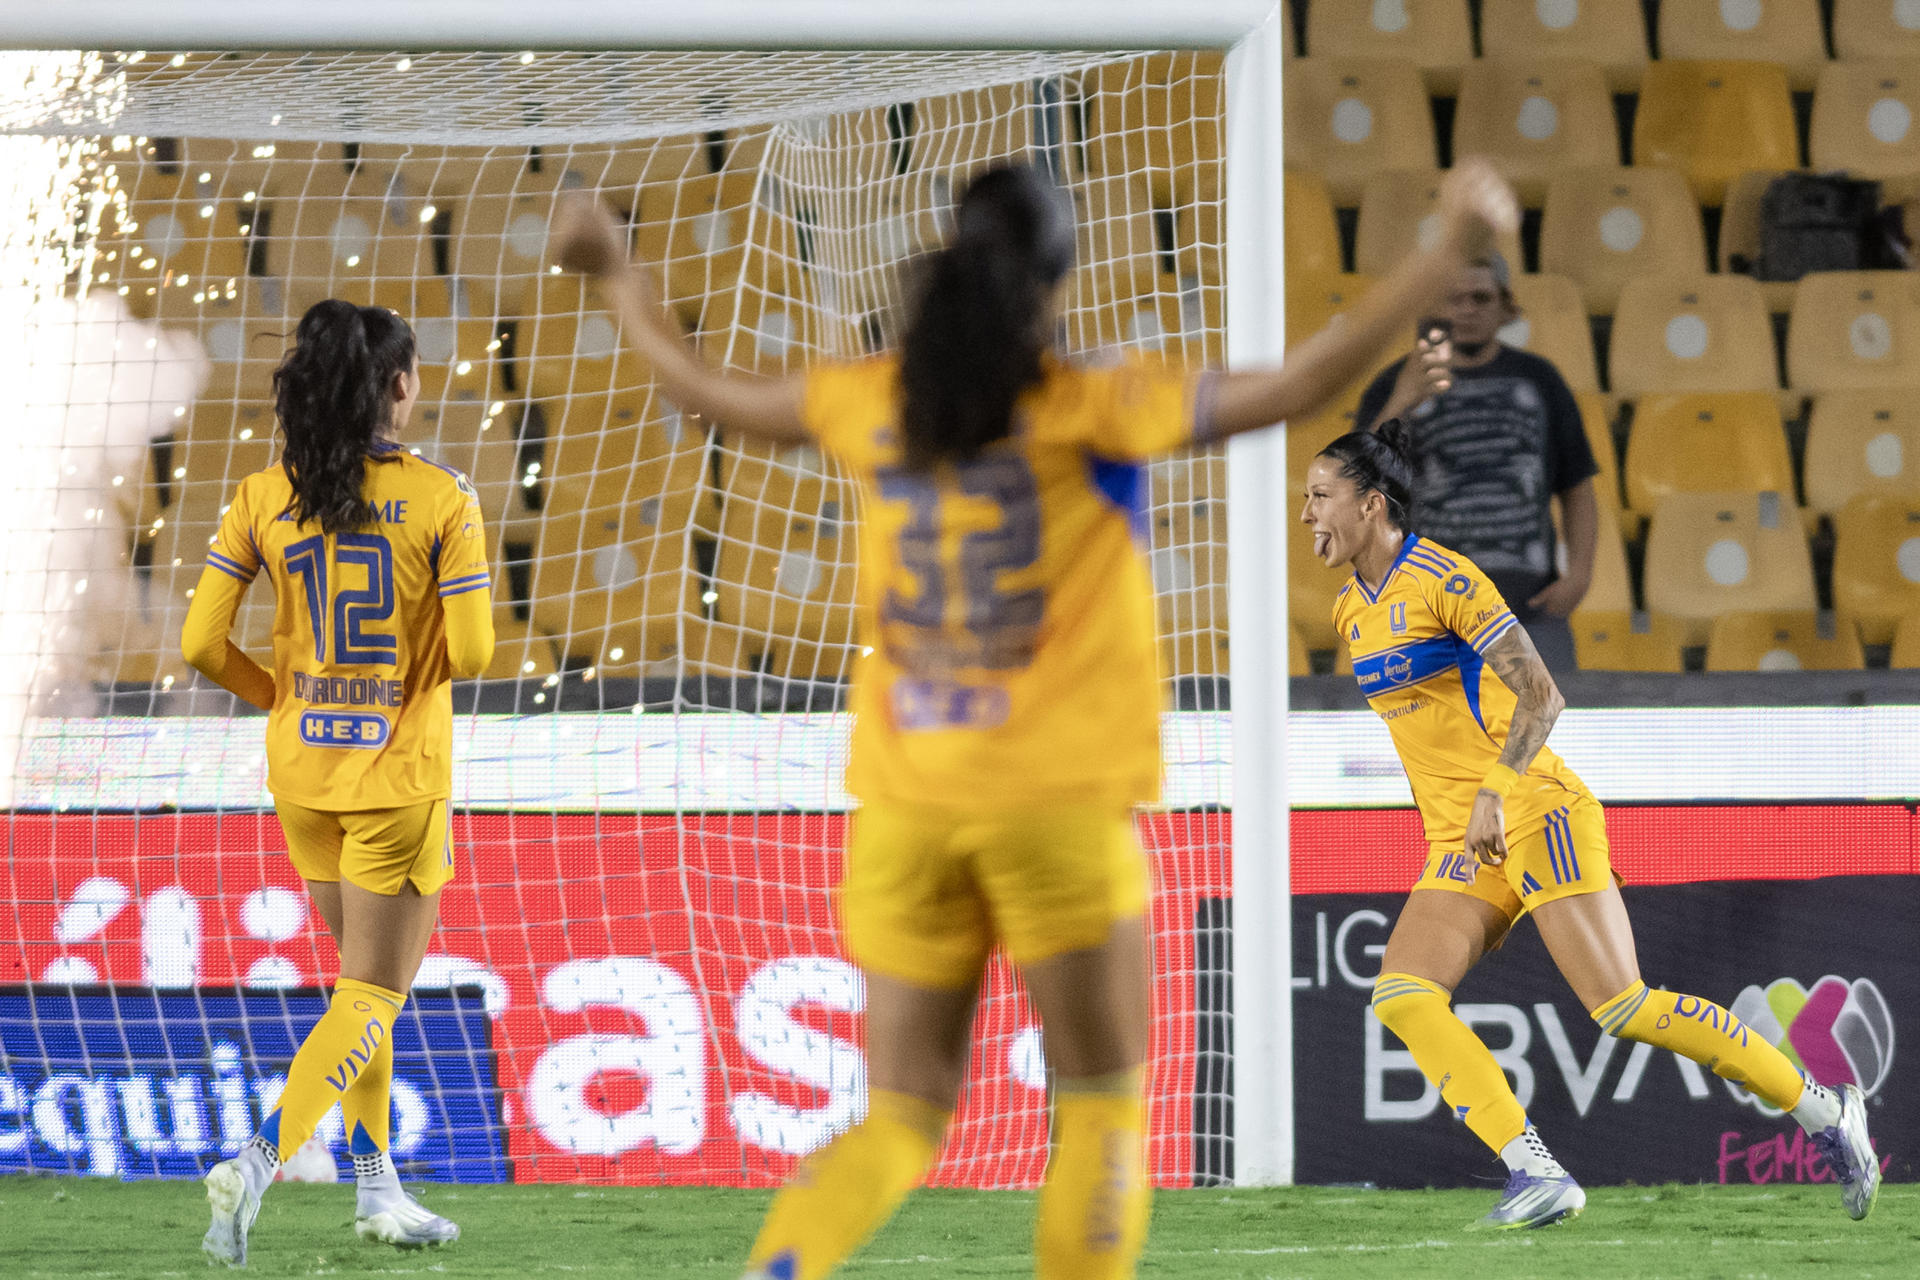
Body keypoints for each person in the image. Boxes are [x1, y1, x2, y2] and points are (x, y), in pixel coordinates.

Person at [552, 157, 1518, 1278]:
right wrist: (1440, 253)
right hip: (1056, 804)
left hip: (910, 804)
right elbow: (1298, 385)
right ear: (1058, 276)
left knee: (902, 1115)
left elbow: (702, 390)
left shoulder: (868, 396)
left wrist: (616, 272)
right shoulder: (1091, 405)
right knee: (1103, 1110)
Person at [1299, 423, 1881, 1229]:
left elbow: (1542, 695)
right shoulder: (1349, 611)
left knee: (1621, 1005)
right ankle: (1533, 1170)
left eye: (1320, 496)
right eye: (1305, 499)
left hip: (1535, 808)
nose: (1307, 515)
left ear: (1370, 504)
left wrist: (1495, 790)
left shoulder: (1445, 579)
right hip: (1466, 841)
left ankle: (1824, 1108)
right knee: (1403, 994)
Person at [180, 299, 492, 1265]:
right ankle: (262, 1155)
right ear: (397, 385)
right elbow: (475, 653)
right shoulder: (444, 497)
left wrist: (280, 693)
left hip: (301, 773)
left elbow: (198, 644)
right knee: (374, 993)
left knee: (359, 989)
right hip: (395, 777)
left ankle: (376, 1189)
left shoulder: (262, 493)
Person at [1353, 253, 1599, 674]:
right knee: (1437, 735)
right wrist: (1403, 398)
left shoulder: (1541, 380)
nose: (1466, 310)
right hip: (1428, 616)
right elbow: (1356, 484)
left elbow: (1576, 486)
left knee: (1543, 732)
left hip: (1529, 611)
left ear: (1506, 308)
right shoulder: (1394, 383)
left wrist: (1578, 576)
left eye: (1480, 298)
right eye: (1453, 299)